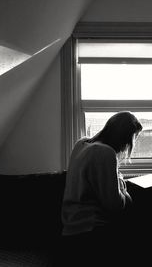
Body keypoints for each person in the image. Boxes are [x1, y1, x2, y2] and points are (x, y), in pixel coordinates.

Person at [58, 111, 142, 267]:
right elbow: (116, 206)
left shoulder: (81, 144)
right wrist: (121, 180)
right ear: (125, 137)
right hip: (92, 233)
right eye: (133, 138)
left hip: (69, 231)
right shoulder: (106, 153)